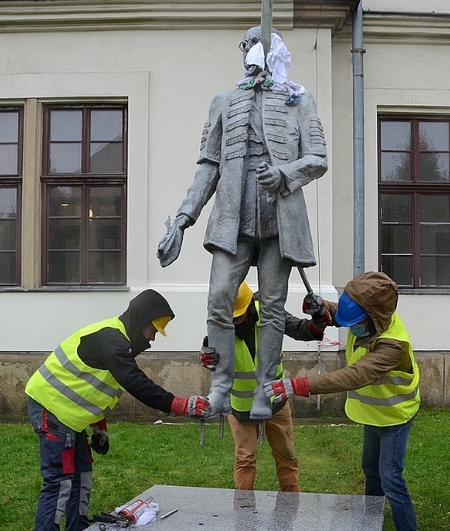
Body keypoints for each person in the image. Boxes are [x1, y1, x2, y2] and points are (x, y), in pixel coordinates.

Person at [158, 26, 328, 419]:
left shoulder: (298, 100)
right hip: (232, 219)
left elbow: (317, 157)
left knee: (271, 306)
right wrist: (183, 220)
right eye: (247, 46)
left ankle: (264, 390)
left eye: (258, 46)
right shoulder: (224, 100)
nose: (251, 52)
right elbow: (209, 167)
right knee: (219, 297)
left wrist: (285, 174)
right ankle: (221, 386)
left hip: (279, 219)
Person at [25, 289, 211, 531]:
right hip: (51, 407)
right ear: (141, 322)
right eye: (153, 331)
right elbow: (133, 381)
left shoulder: (119, 343)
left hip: (70, 417)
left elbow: (92, 385)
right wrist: (178, 404)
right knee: (59, 481)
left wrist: (99, 426)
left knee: (82, 477)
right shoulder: (111, 340)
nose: (152, 339)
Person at [265, 271, 419, 531]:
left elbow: (354, 376)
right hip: (373, 414)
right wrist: (322, 307)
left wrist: (298, 384)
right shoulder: (374, 317)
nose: (350, 327)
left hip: (395, 416)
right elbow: (342, 313)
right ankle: (372, 522)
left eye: (356, 322)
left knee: (391, 479)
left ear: (374, 318)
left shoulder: (393, 346)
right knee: (370, 470)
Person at [200, 282, 330, 491]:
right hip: (241, 406)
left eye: (238, 315)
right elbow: (211, 357)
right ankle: (244, 515)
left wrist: (318, 321)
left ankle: (290, 511)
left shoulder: (269, 312)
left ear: (250, 303)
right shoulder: (220, 324)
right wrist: (207, 358)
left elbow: (303, 330)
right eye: (230, 317)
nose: (234, 321)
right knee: (245, 459)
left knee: (286, 457)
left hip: (274, 400)